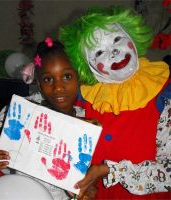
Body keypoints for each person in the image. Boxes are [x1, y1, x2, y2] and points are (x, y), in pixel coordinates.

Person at [59, 5, 171, 199]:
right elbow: (34, 108)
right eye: (99, 53)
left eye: (117, 39)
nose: (113, 53)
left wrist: (111, 171)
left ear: (132, 37)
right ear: (88, 66)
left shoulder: (164, 94)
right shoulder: (81, 96)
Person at [0, 37, 97, 199]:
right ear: (38, 83)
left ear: (78, 77)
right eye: (48, 79)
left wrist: (87, 190)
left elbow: (87, 176)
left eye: (66, 76)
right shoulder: (25, 110)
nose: (58, 87)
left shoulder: (86, 122)